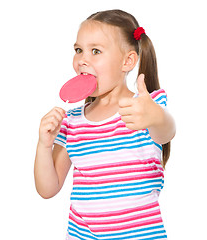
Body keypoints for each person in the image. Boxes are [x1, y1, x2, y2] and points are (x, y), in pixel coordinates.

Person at [34, 9, 175, 240]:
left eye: (95, 51)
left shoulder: (145, 107)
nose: (82, 60)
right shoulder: (72, 121)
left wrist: (156, 117)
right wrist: (43, 145)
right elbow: (48, 189)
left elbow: (166, 132)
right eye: (78, 50)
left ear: (127, 61)